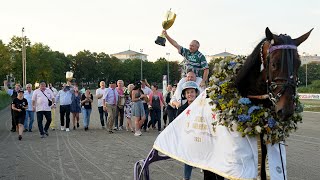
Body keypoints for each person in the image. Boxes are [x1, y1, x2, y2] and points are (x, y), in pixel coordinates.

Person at [176, 81, 200, 180]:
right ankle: (186, 178)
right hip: (188, 139)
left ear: (196, 93)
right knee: (188, 159)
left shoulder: (202, 107)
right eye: (188, 93)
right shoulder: (181, 109)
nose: (190, 94)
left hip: (200, 137)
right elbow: (177, 125)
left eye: (192, 92)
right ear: (185, 95)